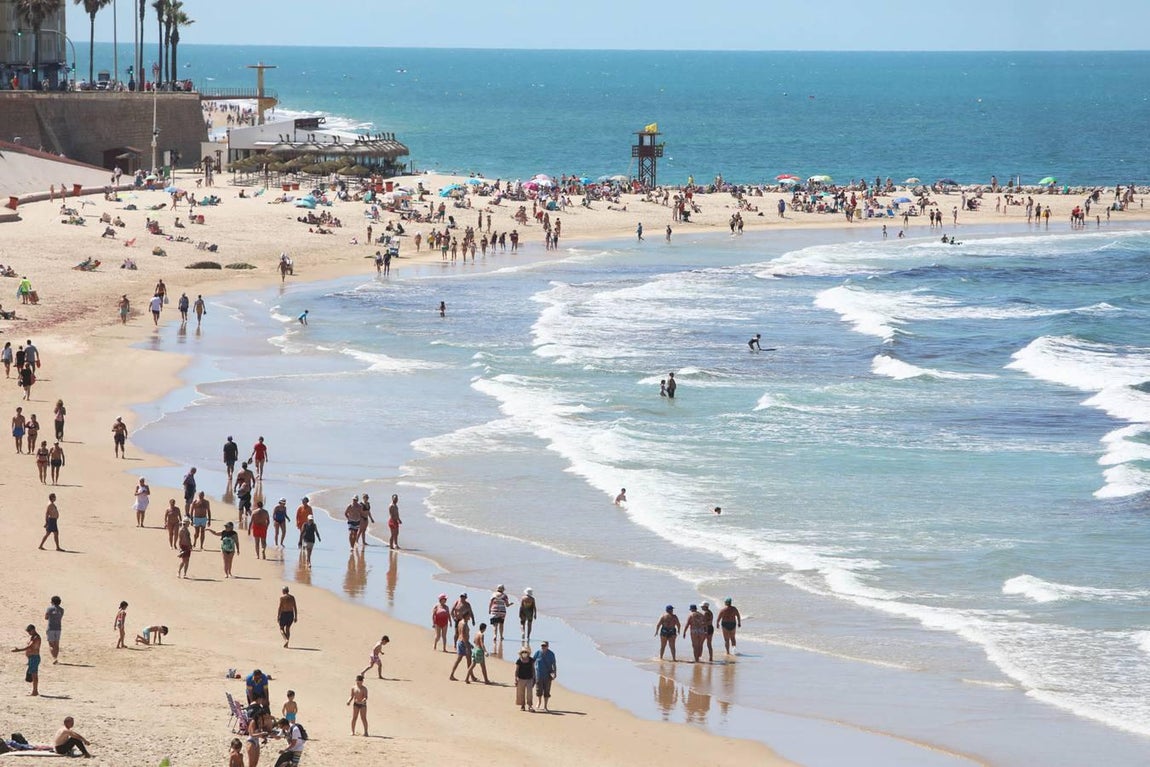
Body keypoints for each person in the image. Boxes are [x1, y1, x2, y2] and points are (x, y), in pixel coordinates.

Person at [12, 624, 41, 695]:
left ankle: (35, 691)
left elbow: (30, 647)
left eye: (29, 631)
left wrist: (19, 650)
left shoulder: (36, 638)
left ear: (33, 630)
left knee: (34, 675)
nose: (28, 633)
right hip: (32, 658)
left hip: (34, 658)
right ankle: (34, 690)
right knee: (31, 675)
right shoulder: (33, 637)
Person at [532, 640, 557, 711]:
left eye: (544, 646)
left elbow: (554, 664)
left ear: (548, 646)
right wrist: (532, 671)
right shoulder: (538, 652)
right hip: (538, 674)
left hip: (547, 675)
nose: (543, 647)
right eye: (542, 645)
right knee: (538, 690)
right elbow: (532, 661)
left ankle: (545, 706)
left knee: (547, 690)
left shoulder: (551, 654)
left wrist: (555, 673)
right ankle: (539, 702)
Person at [514, 647, 535, 711]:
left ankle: (530, 705)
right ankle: (522, 705)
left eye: (525, 652)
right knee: (521, 693)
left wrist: (534, 678)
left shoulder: (531, 660)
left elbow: (533, 669)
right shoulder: (519, 661)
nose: (524, 653)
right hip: (521, 678)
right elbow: (516, 670)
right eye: (523, 652)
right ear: (521, 653)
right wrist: (515, 678)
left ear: (528, 653)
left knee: (529, 693)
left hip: (529, 678)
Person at [44, 596, 64, 664]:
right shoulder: (62, 610)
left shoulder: (49, 608)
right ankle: (56, 657)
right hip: (58, 628)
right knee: (57, 644)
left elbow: (46, 617)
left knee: (51, 644)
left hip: (51, 628)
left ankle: (54, 658)